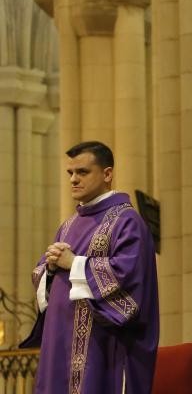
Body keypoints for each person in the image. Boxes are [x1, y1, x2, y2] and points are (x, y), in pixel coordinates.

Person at [21, 141, 160, 394]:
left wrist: (74, 263)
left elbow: (128, 281)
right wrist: (50, 269)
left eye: (82, 172)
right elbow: (47, 285)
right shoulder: (68, 225)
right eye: (70, 173)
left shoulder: (127, 221)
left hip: (103, 351)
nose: (73, 179)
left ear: (107, 174)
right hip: (60, 345)